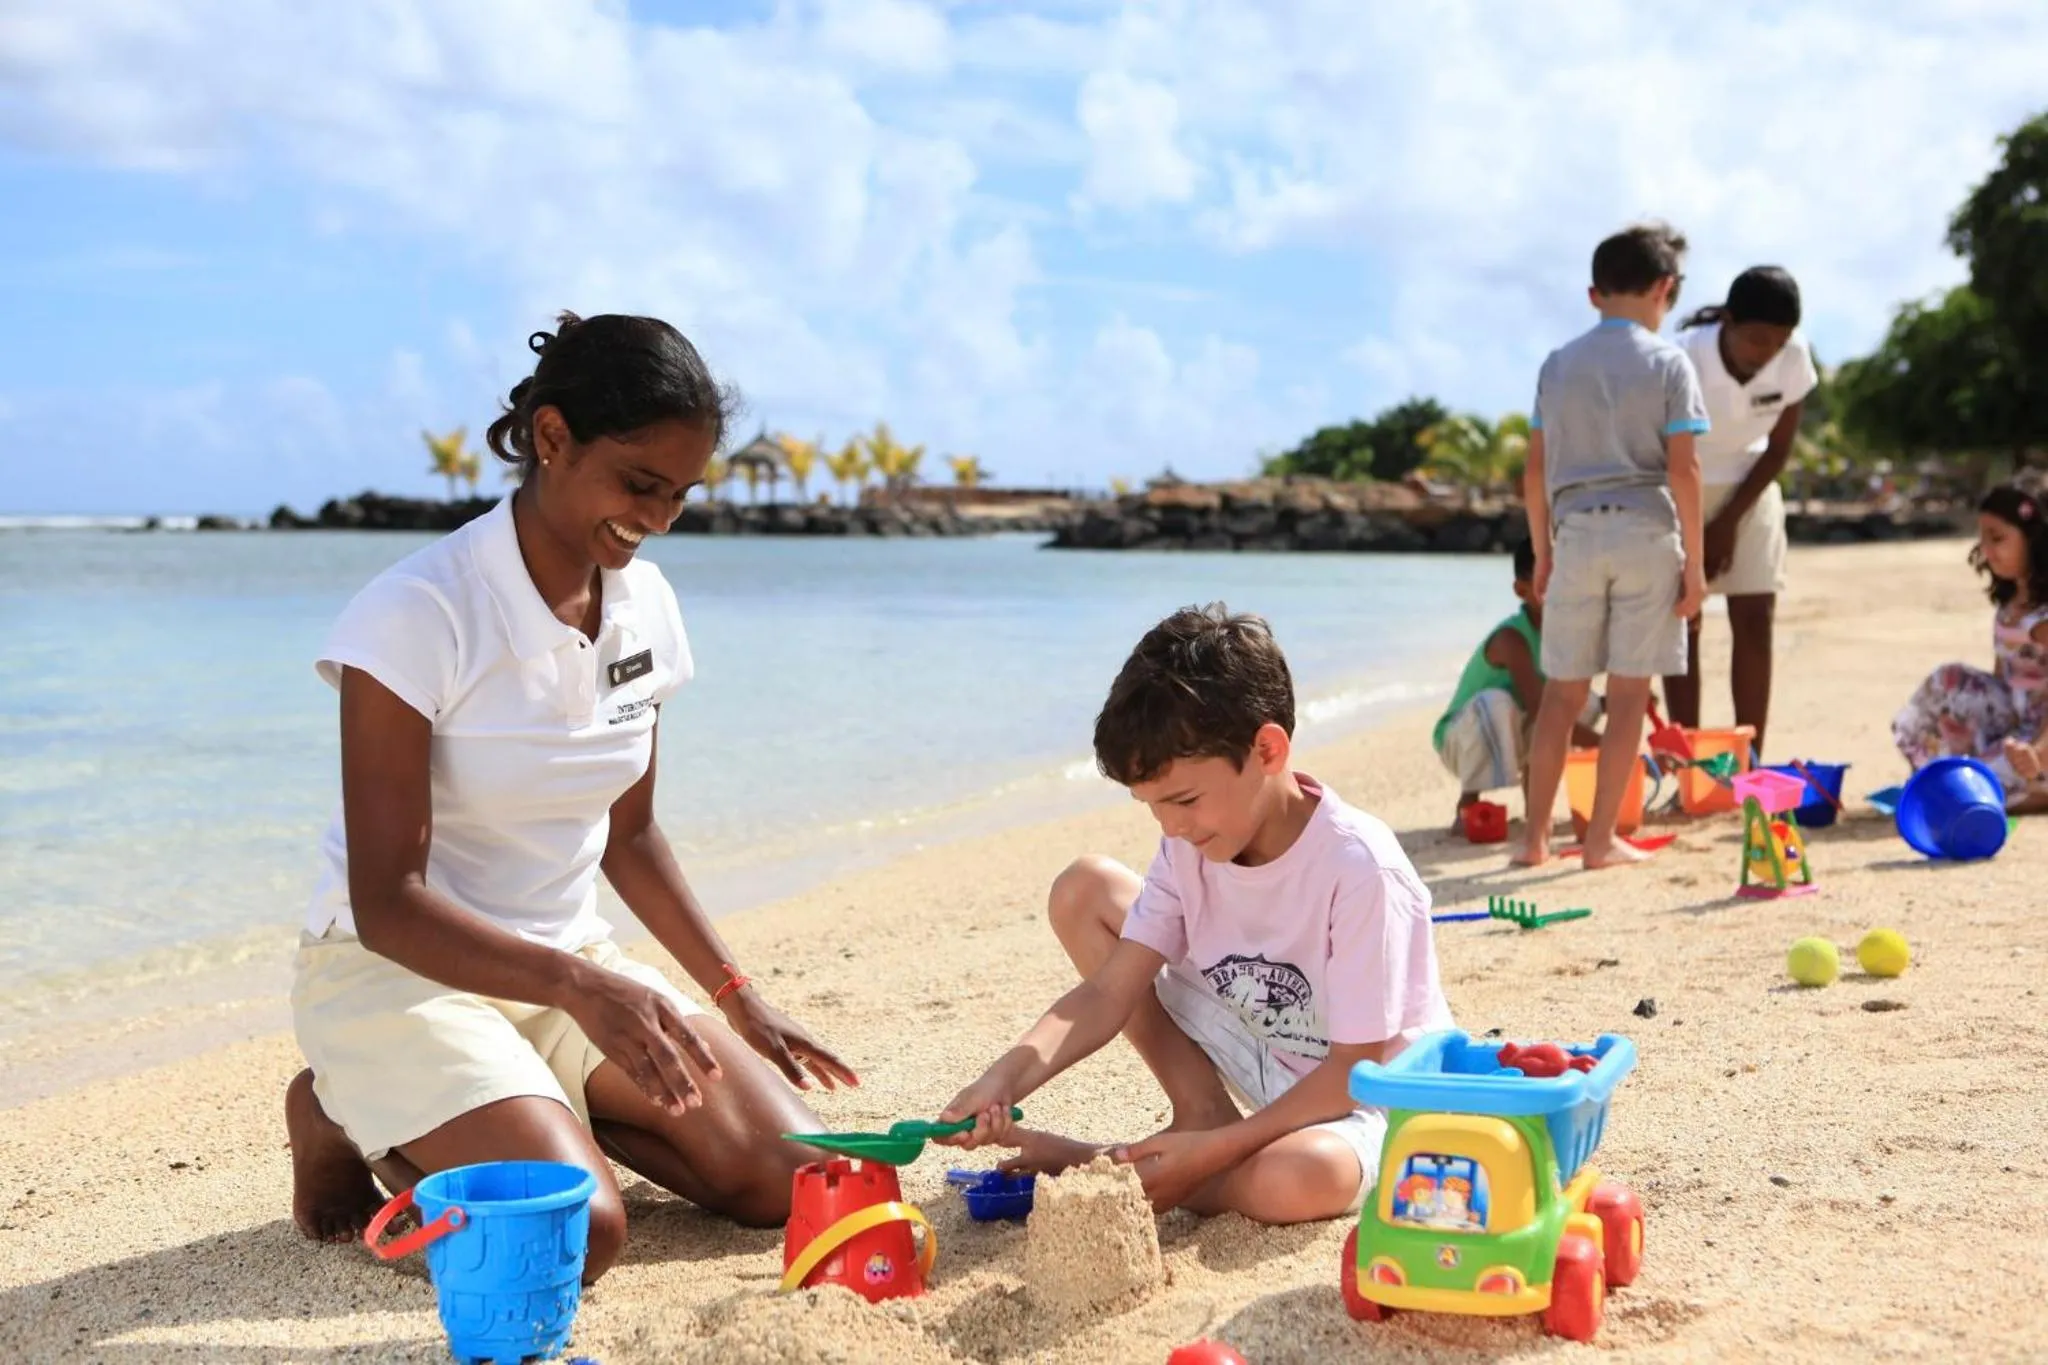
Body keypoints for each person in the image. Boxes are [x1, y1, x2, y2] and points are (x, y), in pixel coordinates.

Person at [284, 312, 855, 1283]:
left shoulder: (648, 605)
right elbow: (386, 903)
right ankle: (341, 1106)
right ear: (552, 438)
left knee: (791, 1178)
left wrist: (735, 993)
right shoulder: (415, 612)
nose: (660, 519)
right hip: (403, 975)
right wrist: (577, 989)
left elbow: (630, 834)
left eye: (681, 494)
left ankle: (527, 1102)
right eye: (640, 485)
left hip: (567, 970)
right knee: (573, 1236)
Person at [935, 605, 1453, 1224]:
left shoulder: (1360, 868)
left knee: (1299, 1179)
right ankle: (1200, 1119)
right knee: (1084, 890)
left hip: (1363, 1096)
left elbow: (1355, 1071)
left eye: (1183, 799)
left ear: (1266, 748)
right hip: (1260, 1043)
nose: (1171, 826)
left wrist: (1212, 1157)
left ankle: (1104, 1165)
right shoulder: (1189, 846)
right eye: (1151, 806)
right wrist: (1006, 1078)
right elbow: (1106, 994)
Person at [1518, 222, 1708, 869]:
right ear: (1666, 288)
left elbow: (1535, 470)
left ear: (1594, 292)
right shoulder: (1669, 362)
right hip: (1647, 531)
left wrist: (1542, 552)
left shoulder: (1558, 364)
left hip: (1575, 533)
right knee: (1628, 695)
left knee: (1560, 696)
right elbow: (1685, 471)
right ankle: (1599, 841)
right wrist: (1698, 567)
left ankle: (1535, 840)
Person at [1664, 267, 1821, 756]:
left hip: (1752, 490)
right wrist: (1697, 536)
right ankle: (1687, 762)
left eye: (1779, 341)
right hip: (1678, 487)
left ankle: (1749, 763)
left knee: (1755, 619)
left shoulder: (1793, 358)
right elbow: (1666, 451)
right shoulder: (1682, 356)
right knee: (1683, 623)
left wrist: (1727, 524)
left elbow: (1776, 452)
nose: (1767, 352)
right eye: (1756, 339)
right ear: (1728, 322)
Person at [1893, 485, 2048, 814]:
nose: (1987, 550)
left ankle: (2033, 789)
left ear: (2033, 540)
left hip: (2039, 738)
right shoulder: (2010, 605)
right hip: (2013, 729)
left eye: (1998, 538)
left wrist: (2037, 752)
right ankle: (1938, 778)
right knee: (1948, 682)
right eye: (1983, 539)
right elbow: (1999, 680)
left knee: (1976, 789)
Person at [1434, 536, 1603, 829]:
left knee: (1582, 700)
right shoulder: (1511, 639)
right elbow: (1543, 709)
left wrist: (1612, 705)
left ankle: (1536, 806)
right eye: (1548, 581)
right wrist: (1612, 747)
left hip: (1512, 723)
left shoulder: (1562, 635)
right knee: (1499, 703)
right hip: (1460, 739)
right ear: (1521, 589)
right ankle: (1469, 802)